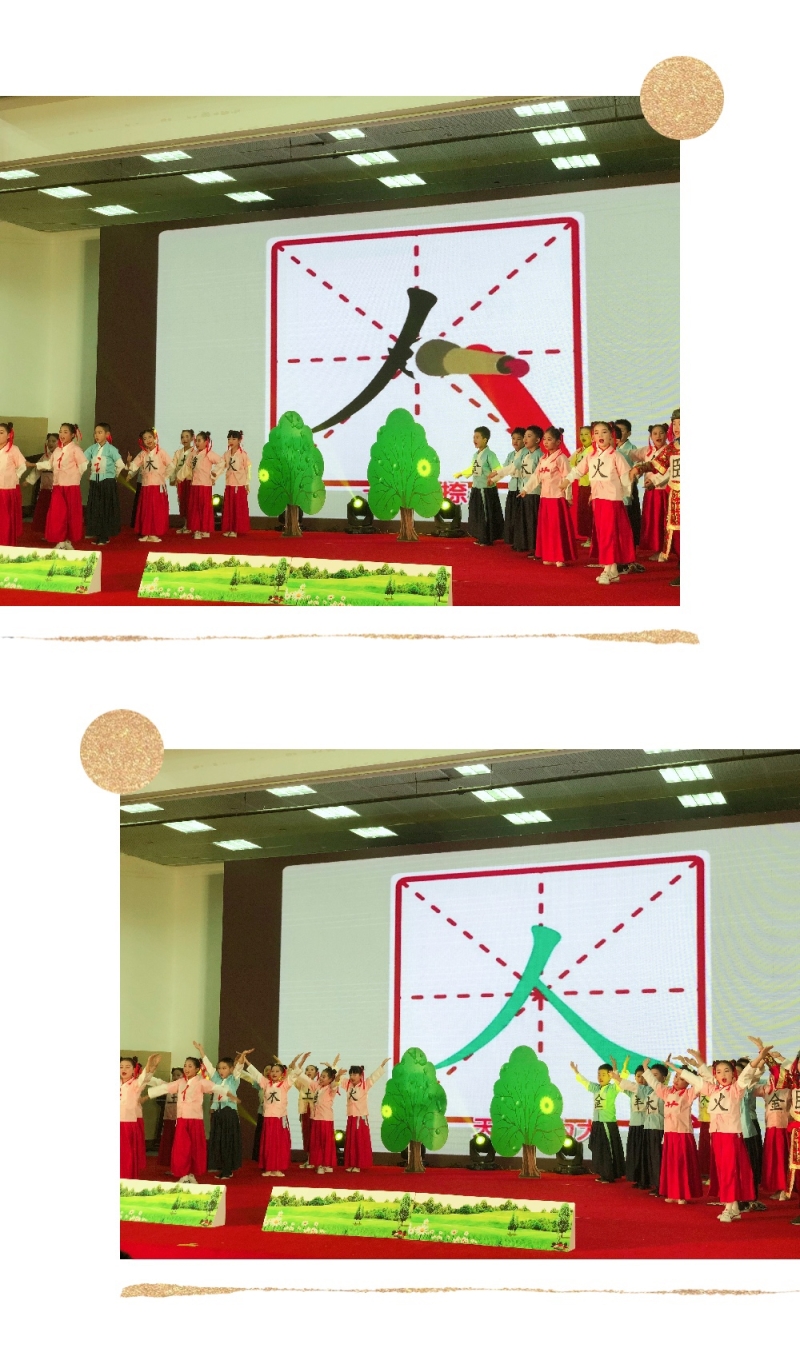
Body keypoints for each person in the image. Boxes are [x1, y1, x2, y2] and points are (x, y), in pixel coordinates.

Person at [675, 1045, 772, 1222]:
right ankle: (733, 1208)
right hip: (717, 1136)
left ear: (733, 1074)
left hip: (730, 1136)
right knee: (723, 1172)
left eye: (727, 1070)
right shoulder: (713, 1090)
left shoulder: (736, 1089)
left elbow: (747, 1074)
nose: (723, 1074)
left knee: (730, 1172)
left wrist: (760, 1058)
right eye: (719, 1072)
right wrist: (685, 1068)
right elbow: (700, 1080)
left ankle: (729, 1206)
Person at [565, 421, 635, 584]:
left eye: (604, 432)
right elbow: (578, 470)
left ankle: (607, 569)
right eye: (596, 433)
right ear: (593, 437)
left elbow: (626, 478)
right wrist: (566, 481)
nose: (600, 436)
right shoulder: (591, 456)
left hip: (612, 501)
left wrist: (625, 496)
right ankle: (612, 570)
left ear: (611, 436)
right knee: (603, 535)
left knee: (609, 535)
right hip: (598, 501)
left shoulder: (616, 456)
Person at [147, 1053, 237, 1179]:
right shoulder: (180, 1082)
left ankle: (191, 1174)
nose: (186, 1068)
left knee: (195, 1149)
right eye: (185, 1066)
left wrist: (230, 1094)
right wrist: (147, 1091)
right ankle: (183, 1174)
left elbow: (215, 1087)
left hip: (195, 1120)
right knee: (181, 1149)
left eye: (190, 1066)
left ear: (197, 1069)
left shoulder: (200, 1082)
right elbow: (164, 1087)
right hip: (182, 1120)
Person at [642, 1059, 701, 1204]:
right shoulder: (667, 1092)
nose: (677, 1080)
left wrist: (679, 1069)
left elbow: (700, 1084)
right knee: (671, 1165)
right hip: (669, 1135)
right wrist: (645, 1068)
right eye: (676, 1077)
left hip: (683, 1135)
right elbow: (655, 1083)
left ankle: (682, 1194)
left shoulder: (689, 1093)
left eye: (682, 1079)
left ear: (688, 1081)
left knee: (682, 1165)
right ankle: (672, 1192)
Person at [244, 1050, 309, 1177]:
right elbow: (255, 1073)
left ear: (282, 1073)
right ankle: (269, 1168)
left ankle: (277, 1168)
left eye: (277, 1071)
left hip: (280, 1119)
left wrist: (301, 1061)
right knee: (268, 1144)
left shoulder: (285, 1084)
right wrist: (245, 1060)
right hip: (268, 1119)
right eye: (272, 1071)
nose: (273, 1073)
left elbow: (295, 1073)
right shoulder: (265, 1083)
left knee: (279, 1144)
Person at [519, 426, 576, 566]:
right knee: (547, 529)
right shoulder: (543, 459)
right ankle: (549, 555)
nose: (545, 442)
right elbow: (536, 476)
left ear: (558, 442)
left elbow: (568, 478)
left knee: (557, 529)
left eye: (549, 439)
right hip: (545, 498)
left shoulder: (561, 458)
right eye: (544, 439)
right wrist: (526, 489)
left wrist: (568, 497)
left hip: (557, 498)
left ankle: (560, 557)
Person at [195, 1041, 245, 1181]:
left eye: (224, 1068)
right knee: (218, 1141)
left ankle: (228, 1170)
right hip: (218, 1113)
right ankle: (220, 1166)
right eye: (219, 1068)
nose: (221, 1070)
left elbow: (239, 1068)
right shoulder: (216, 1078)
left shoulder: (234, 1080)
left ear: (231, 1069)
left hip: (229, 1113)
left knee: (228, 1142)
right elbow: (208, 1066)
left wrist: (242, 1057)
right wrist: (201, 1050)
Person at [570, 1059, 625, 1182]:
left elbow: (619, 1082)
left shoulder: (612, 1088)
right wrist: (576, 1072)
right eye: (599, 1074)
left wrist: (615, 1068)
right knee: (598, 1149)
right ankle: (603, 1173)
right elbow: (585, 1082)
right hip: (597, 1123)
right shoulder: (596, 1088)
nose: (600, 1077)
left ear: (610, 1076)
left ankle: (610, 1175)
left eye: (603, 1074)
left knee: (608, 1150)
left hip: (607, 1123)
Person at [453, 427, 503, 546]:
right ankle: (481, 536)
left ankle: (487, 538)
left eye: (477, 437)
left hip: (486, 490)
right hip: (476, 488)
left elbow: (498, 469)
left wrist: (493, 479)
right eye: (473, 437)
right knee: (477, 513)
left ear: (485, 439)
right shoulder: (476, 455)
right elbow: (473, 468)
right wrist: (461, 473)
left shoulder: (490, 454)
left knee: (486, 514)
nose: (474, 440)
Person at [42, 423, 88, 549]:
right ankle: (60, 540)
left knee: (71, 515)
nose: (62, 434)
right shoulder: (57, 450)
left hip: (71, 486)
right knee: (58, 513)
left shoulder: (75, 449)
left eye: (65, 432)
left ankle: (68, 540)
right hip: (58, 486)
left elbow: (83, 465)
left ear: (72, 435)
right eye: (60, 431)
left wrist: (75, 477)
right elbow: (49, 465)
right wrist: (34, 465)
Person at [341, 1058, 390, 1171]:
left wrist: (381, 1066)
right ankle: (352, 1164)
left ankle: (358, 1165)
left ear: (360, 1075)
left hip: (360, 1118)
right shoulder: (348, 1085)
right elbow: (338, 1078)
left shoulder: (365, 1085)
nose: (352, 1076)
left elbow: (374, 1077)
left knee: (359, 1141)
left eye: (355, 1074)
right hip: (351, 1117)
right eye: (351, 1074)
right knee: (351, 1141)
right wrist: (333, 1067)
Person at [126, 430, 174, 543]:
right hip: (146, 486)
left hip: (157, 486)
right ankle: (147, 533)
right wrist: (128, 463)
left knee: (156, 510)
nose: (148, 440)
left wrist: (164, 477)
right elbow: (133, 466)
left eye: (149, 437)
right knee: (146, 510)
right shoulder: (143, 454)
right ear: (142, 441)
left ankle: (154, 533)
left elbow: (171, 466)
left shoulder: (161, 452)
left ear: (154, 437)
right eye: (145, 438)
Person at [633, 423, 671, 559]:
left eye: (661, 433)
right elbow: (631, 455)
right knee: (652, 521)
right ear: (650, 436)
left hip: (663, 491)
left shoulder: (669, 450)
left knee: (661, 521)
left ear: (667, 434)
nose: (658, 436)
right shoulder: (647, 451)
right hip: (650, 492)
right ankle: (657, 549)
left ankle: (663, 549)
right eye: (655, 434)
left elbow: (669, 472)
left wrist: (654, 481)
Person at [120, 1053, 161, 1179]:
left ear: (134, 1070)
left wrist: (149, 1064)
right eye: (121, 1067)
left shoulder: (135, 1084)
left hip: (127, 1123)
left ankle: (126, 1178)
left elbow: (144, 1079)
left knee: (126, 1153)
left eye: (127, 1067)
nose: (123, 1069)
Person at [298, 1063, 344, 1174]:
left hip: (326, 1119)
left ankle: (326, 1164)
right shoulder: (317, 1086)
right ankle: (319, 1164)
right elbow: (306, 1080)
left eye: (324, 1077)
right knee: (317, 1143)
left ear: (330, 1079)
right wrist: (296, 1067)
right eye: (321, 1076)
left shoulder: (331, 1089)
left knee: (327, 1143)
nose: (321, 1078)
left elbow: (335, 1083)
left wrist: (338, 1076)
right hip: (316, 1118)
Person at [84, 423, 124, 545]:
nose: (96, 435)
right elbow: (83, 461)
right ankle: (95, 531)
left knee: (105, 509)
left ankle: (104, 536)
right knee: (95, 508)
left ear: (107, 434)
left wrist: (113, 476)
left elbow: (120, 465)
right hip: (95, 481)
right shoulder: (92, 449)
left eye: (100, 432)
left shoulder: (112, 449)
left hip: (107, 482)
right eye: (95, 433)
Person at [487, 427, 526, 545]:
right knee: (512, 515)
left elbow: (511, 468)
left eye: (519, 439)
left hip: (524, 488)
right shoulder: (510, 455)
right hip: (513, 488)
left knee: (521, 517)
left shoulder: (527, 453)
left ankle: (522, 541)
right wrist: (494, 480)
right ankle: (513, 540)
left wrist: (495, 476)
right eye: (513, 438)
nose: (515, 441)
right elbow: (504, 469)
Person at [610, 1059, 646, 1184]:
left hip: (646, 1126)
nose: (641, 1079)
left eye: (644, 1076)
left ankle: (645, 1179)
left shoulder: (650, 1090)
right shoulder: (632, 1092)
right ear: (635, 1077)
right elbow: (619, 1084)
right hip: (634, 1126)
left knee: (644, 1154)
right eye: (638, 1076)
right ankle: (637, 1179)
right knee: (635, 1153)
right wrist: (615, 1069)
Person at [509, 425, 543, 555]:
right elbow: (512, 467)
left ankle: (537, 549)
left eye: (529, 436)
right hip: (524, 492)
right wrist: (497, 474)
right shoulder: (526, 455)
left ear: (537, 440)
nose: (525, 439)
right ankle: (528, 546)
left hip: (535, 494)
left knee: (533, 522)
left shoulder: (540, 456)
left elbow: (539, 477)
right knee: (526, 522)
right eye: (525, 436)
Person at [613, 419, 643, 566]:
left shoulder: (632, 449)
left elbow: (638, 467)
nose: (618, 433)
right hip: (614, 490)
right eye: (616, 431)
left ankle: (630, 551)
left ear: (629, 433)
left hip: (629, 488)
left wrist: (632, 479)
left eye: (622, 430)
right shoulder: (611, 448)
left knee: (630, 518)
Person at [214, 430, 252, 538]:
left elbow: (248, 468)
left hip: (239, 485)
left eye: (234, 439)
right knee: (229, 508)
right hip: (229, 484)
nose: (231, 441)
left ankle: (236, 529)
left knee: (237, 508)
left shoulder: (243, 454)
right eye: (229, 439)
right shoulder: (227, 454)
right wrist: (214, 476)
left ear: (239, 440)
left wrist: (247, 482)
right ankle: (229, 528)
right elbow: (221, 466)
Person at [186, 431, 222, 539]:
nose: (197, 443)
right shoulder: (193, 453)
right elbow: (187, 467)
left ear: (206, 442)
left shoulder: (209, 453)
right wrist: (180, 477)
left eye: (199, 441)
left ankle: (204, 529)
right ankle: (196, 529)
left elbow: (222, 462)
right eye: (196, 441)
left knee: (205, 508)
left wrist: (214, 475)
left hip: (205, 485)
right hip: (195, 484)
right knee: (195, 508)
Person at [0, 421, 30, 546]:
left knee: (5, 519)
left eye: (1, 433)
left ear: (8, 435)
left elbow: (22, 466)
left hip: (7, 490)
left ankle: (5, 543)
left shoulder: (13, 449)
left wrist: (14, 477)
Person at [153, 1067, 183, 1168]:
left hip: (180, 1118)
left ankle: (178, 1162)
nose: (175, 1077)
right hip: (168, 1117)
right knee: (168, 1140)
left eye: (178, 1075)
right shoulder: (167, 1086)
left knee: (178, 1141)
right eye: (174, 1075)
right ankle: (169, 1162)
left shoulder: (185, 1087)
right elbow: (156, 1083)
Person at [31, 432, 60, 534]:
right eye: (49, 441)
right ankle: (46, 531)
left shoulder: (61, 456)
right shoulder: (44, 456)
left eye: (53, 441)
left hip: (56, 488)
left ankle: (55, 531)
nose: (50, 443)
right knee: (44, 510)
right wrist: (29, 480)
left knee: (54, 511)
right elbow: (37, 471)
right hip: (45, 488)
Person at [570, 425, 594, 545]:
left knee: (591, 513)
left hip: (591, 485)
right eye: (581, 434)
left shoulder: (593, 450)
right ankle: (589, 538)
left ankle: (593, 538)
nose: (583, 437)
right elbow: (569, 464)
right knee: (584, 513)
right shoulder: (580, 451)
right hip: (582, 485)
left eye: (586, 434)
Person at [171, 429, 195, 533]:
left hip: (190, 480)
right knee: (182, 502)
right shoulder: (178, 452)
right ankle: (186, 524)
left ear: (192, 438)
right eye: (182, 437)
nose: (184, 439)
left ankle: (191, 525)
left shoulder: (194, 452)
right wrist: (173, 478)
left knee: (191, 502)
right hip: (180, 481)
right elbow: (173, 466)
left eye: (187, 436)